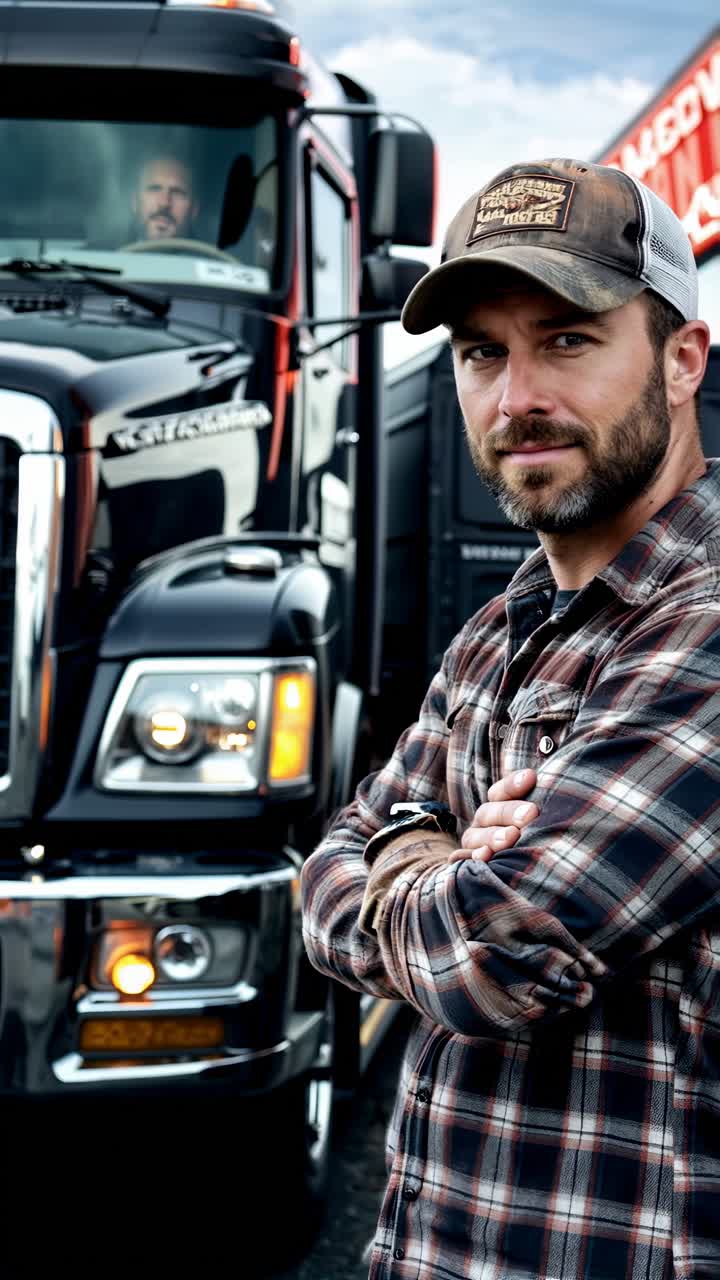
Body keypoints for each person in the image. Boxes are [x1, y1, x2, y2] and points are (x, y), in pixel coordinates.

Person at [301, 156, 720, 1280]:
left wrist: (398, 866)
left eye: (567, 338)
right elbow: (321, 876)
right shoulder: (500, 625)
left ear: (682, 360)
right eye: (483, 351)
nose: (515, 395)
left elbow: (494, 950)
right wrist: (412, 852)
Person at [130, 152, 199, 241]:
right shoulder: (109, 252)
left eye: (177, 192)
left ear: (194, 210)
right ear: (135, 201)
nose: (164, 203)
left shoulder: (210, 254)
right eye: (154, 189)